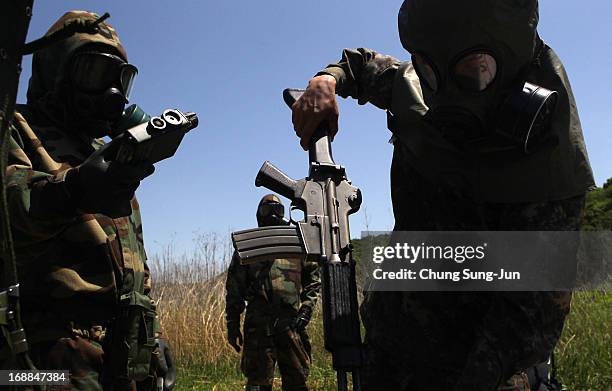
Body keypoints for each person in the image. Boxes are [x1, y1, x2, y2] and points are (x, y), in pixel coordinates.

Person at [290, 1, 594, 390]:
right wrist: (326, 81)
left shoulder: (549, 158)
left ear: (511, 58)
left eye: (475, 70)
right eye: (432, 71)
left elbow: (526, 321)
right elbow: (360, 65)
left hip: (475, 368)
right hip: (389, 346)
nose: (449, 95)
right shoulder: (420, 84)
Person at [2, 11, 175, 390]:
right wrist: (71, 190)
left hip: (123, 358)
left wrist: (153, 337)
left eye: (120, 79)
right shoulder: (13, 127)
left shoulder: (105, 153)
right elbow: (10, 207)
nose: (112, 92)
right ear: (55, 73)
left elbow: (133, 262)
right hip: (43, 362)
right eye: (96, 73)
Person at [225, 194, 321, 391]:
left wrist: (307, 309)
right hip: (258, 326)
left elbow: (313, 279)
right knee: (258, 384)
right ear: (259, 213)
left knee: (297, 381)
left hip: (291, 323)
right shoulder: (249, 247)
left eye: (278, 210)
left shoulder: (295, 244)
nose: (272, 214)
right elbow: (234, 290)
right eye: (267, 209)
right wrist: (232, 325)